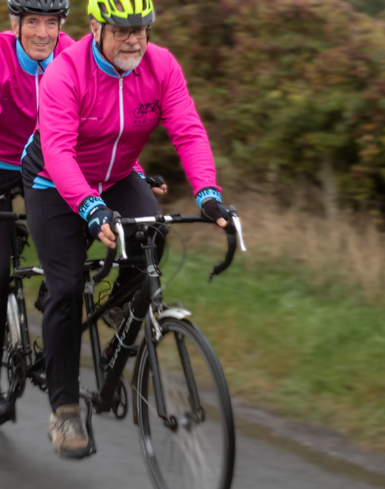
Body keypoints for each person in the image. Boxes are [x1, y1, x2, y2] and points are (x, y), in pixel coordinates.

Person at [15, 0, 233, 459]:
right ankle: (65, 409)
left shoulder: (162, 66)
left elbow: (187, 130)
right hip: (53, 181)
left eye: (142, 29)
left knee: (154, 234)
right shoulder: (66, 72)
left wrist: (207, 193)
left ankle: (121, 308)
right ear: (95, 27)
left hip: (114, 176)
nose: (134, 40)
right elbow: (57, 151)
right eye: (122, 30)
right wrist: (89, 208)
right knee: (68, 286)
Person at [0, 0, 73, 422]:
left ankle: (50, 301)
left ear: (61, 24)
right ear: (15, 23)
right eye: (32, 22)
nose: (43, 32)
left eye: (51, 22)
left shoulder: (70, 54)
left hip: (44, 167)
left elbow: (96, 119)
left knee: (71, 256)